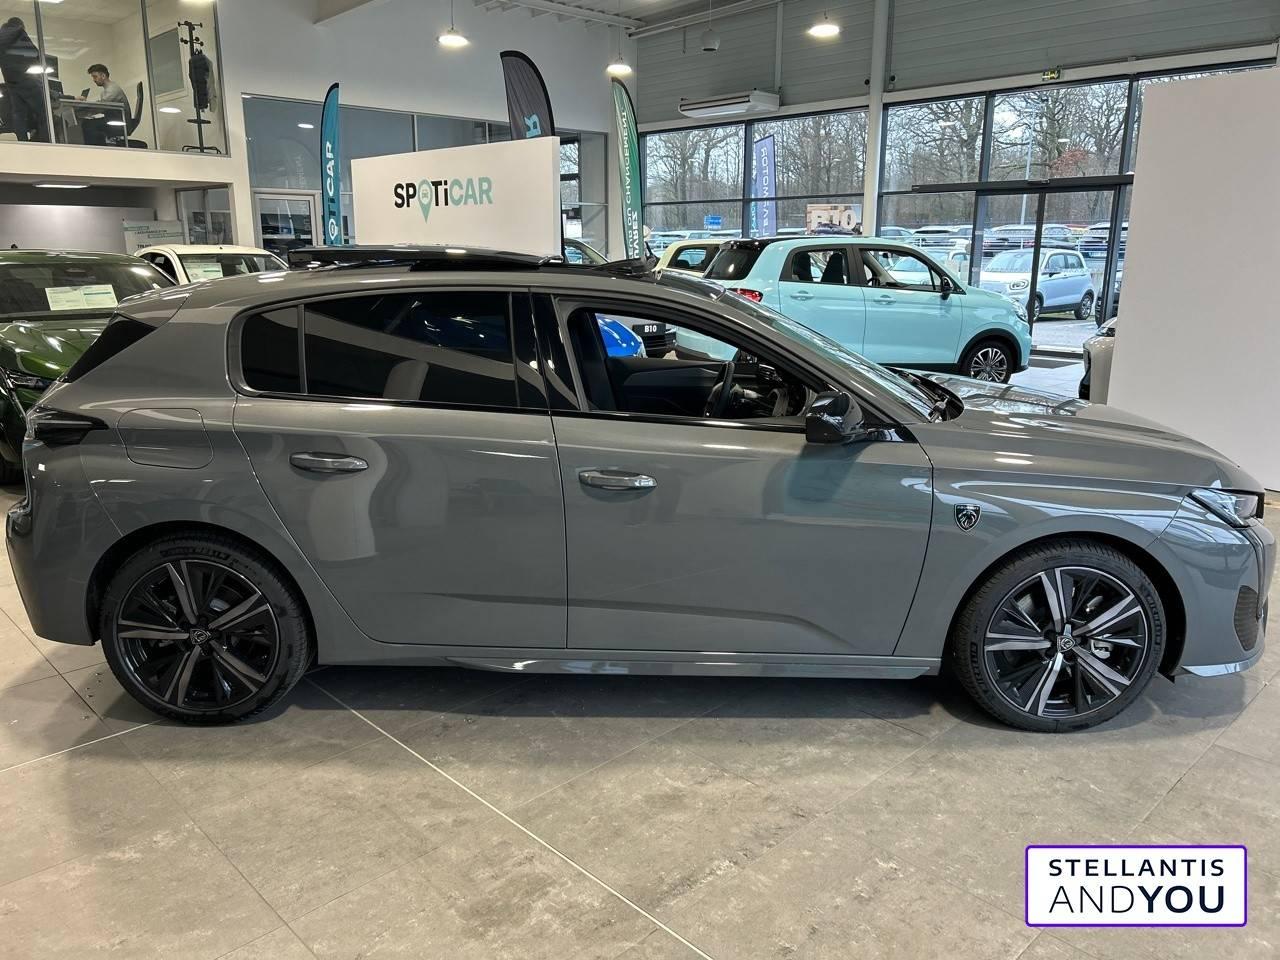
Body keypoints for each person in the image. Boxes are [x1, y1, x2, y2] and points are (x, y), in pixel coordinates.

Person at [0, 17, 50, 143]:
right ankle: (46, 142)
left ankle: (22, 142)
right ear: (20, 25)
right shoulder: (19, 32)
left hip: (10, 82)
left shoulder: (2, 37)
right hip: (27, 79)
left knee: (18, 114)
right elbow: (35, 53)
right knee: (44, 113)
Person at [79, 63, 129, 146]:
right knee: (90, 123)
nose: (94, 80)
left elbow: (101, 107)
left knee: (88, 125)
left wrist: (82, 113)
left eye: (95, 77)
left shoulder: (112, 90)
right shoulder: (109, 89)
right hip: (115, 119)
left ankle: (97, 150)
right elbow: (102, 106)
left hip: (119, 122)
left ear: (103, 76)